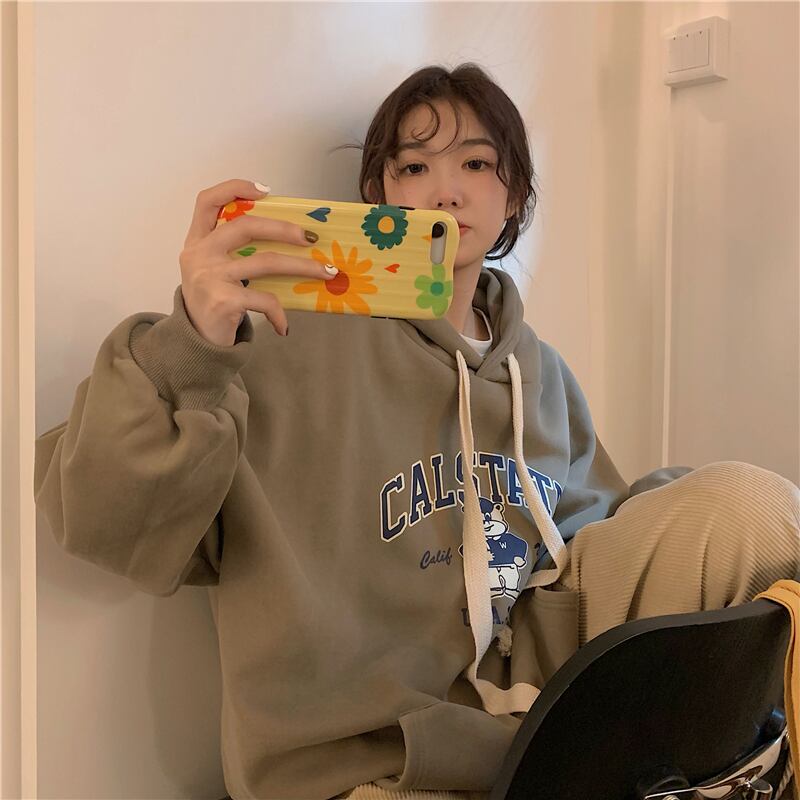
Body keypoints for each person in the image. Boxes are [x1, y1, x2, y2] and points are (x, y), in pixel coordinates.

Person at [34, 63, 799, 800]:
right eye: (413, 167)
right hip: (367, 761)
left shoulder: (539, 371)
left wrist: (692, 502)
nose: (446, 189)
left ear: (513, 195)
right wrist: (195, 341)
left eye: (476, 163)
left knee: (756, 507)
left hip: (539, 732)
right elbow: (105, 521)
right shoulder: (285, 342)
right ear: (379, 196)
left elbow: (598, 534)